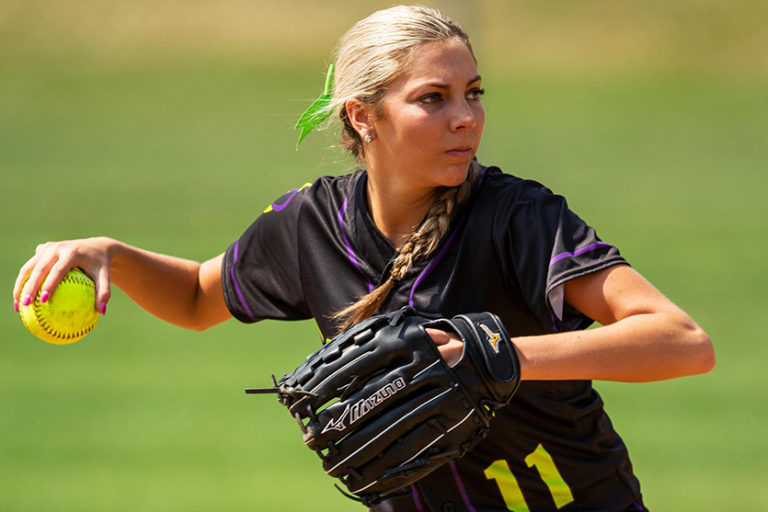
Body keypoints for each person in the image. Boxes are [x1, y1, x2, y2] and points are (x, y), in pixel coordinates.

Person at [13, 5, 714, 511]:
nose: (465, 117)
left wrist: (499, 355)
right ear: (361, 115)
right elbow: (199, 299)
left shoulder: (516, 218)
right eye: (432, 99)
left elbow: (683, 342)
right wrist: (110, 252)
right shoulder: (311, 226)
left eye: (473, 94)